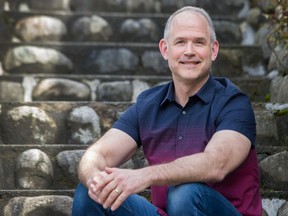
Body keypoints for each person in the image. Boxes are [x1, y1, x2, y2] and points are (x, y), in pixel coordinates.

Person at [72, 6, 262, 216]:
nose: (189, 51)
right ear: (165, 49)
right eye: (180, 42)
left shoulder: (234, 103)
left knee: (184, 192)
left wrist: (143, 176)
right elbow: (96, 154)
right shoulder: (149, 104)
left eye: (199, 42)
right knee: (91, 192)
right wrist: (95, 178)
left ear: (213, 50)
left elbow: (216, 164)